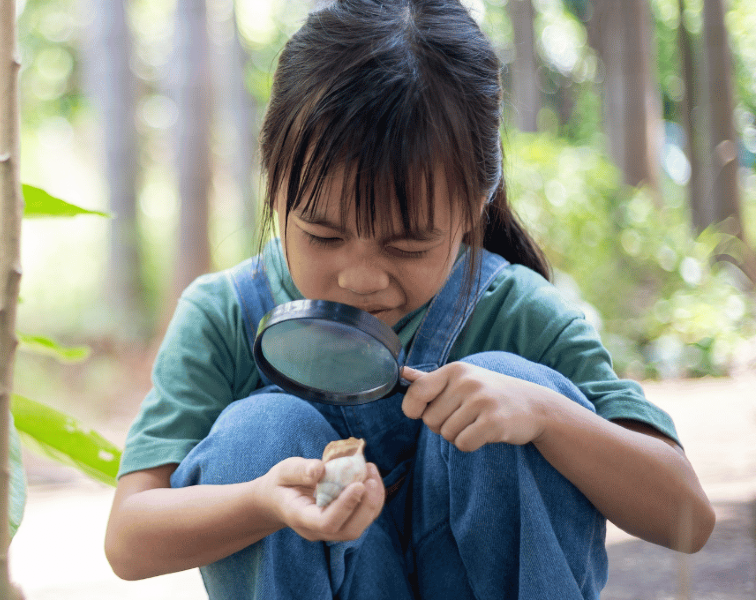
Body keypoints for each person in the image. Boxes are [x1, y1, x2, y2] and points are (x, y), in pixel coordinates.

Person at [104, 0, 716, 598]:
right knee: (261, 430)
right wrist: (261, 502)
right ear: (275, 180)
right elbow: (129, 541)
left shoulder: (517, 312)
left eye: (409, 245)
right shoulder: (226, 316)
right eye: (323, 235)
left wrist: (545, 414)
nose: (361, 278)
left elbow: (686, 514)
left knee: (502, 381)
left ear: (475, 204)